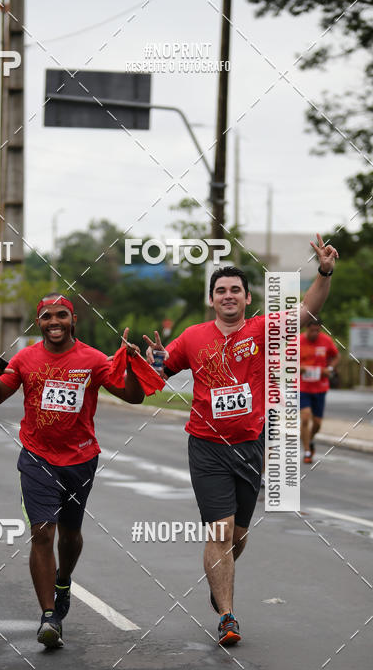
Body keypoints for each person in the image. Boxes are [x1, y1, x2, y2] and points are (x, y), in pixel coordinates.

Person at [145, 234, 338, 647]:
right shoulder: (193, 337)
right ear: (211, 300)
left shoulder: (263, 328)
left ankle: (219, 580)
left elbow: (306, 310)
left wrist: (323, 272)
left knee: (238, 537)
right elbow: (162, 371)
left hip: (250, 446)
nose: (228, 296)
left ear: (247, 298)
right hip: (206, 447)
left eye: (235, 290)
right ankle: (228, 616)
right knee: (219, 532)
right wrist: (154, 361)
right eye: (220, 291)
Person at [0, 294, 149, 650]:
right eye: (46, 317)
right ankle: (49, 616)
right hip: (37, 458)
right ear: (38, 322)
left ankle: (64, 579)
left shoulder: (93, 359)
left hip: (80, 460)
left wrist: (132, 364)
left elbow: (134, 398)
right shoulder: (26, 359)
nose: (53, 322)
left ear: (73, 320)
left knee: (70, 536)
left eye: (61, 316)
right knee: (42, 533)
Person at [300, 316, 339, 463]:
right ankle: (307, 452)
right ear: (306, 328)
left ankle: (309, 439)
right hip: (302, 387)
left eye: (317, 330)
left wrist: (329, 369)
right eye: (312, 330)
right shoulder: (297, 342)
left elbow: (336, 356)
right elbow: (285, 364)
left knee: (317, 423)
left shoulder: (326, 341)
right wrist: (299, 369)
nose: (315, 333)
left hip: (320, 387)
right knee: (305, 417)